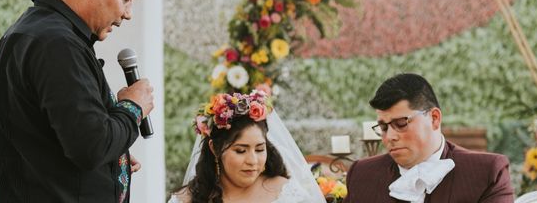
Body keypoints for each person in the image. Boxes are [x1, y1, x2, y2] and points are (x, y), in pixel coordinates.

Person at [0, 0, 154, 203]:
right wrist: (133, 108)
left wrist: (115, 159)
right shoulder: (56, 43)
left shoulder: (30, 33)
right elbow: (91, 146)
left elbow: (48, 139)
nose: (128, 13)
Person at [344, 73, 514, 203]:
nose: (390, 137)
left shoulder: (487, 173)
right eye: (383, 127)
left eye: (401, 123)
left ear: (434, 118)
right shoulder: (361, 175)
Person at [169, 90, 325, 203]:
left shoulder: (287, 193)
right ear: (214, 149)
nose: (253, 160)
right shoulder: (186, 199)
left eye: (259, 149)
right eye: (241, 150)